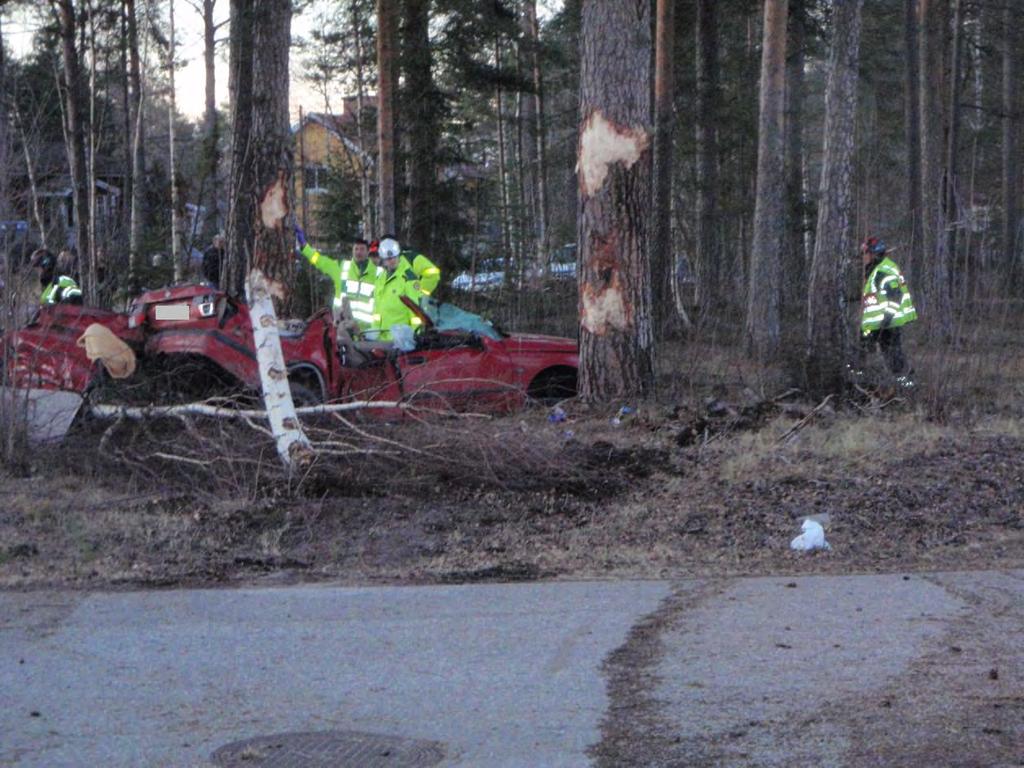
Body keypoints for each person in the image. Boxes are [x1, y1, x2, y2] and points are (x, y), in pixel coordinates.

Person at [295, 227, 381, 332]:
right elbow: (319, 261)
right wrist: (304, 247)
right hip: (342, 327)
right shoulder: (342, 267)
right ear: (352, 251)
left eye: (362, 249)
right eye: (356, 249)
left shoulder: (378, 273)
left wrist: (378, 328)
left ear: (368, 252)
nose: (359, 252)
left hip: (368, 331)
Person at [858, 236, 916, 388]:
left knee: (893, 357)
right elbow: (876, 296)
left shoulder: (883, 270)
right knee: (872, 352)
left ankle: (907, 386)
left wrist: (886, 320)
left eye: (865, 253)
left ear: (873, 254)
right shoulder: (876, 269)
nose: (863, 257)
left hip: (887, 323)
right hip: (878, 323)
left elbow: (894, 296)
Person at [370, 236, 441, 340]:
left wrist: (415, 334)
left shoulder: (407, 277)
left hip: (401, 339)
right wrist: (374, 333)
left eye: (394, 257)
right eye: (388, 259)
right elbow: (377, 310)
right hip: (382, 338)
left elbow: (414, 310)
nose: (392, 261)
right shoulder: (380, 279)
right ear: (383, 260)